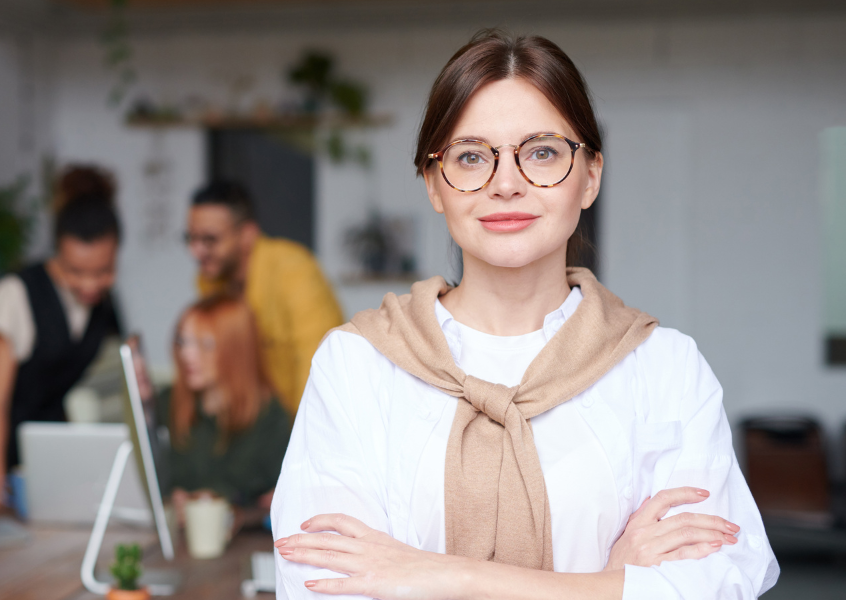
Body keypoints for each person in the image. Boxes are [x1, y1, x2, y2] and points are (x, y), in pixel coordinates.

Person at [271, 31, 779, 599]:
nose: (506, 184)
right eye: (470, 157)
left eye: (542, 152)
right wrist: (609, 583)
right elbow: (322, 586)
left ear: (590, 176)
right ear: (434, 185)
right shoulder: (357, 365)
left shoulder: (664, 368)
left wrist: (442, 575)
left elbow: (715, 585)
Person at [0, 165, 123, 519]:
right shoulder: (16, 293)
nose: (90, 284)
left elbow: (108, 378)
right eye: (76, 271)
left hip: (50, 458)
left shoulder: (105, 303)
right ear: (58, 252)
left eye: (103, 271)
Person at [186, 181, 343, 416]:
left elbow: (319, 372)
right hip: (253, 431)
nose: (195, 251)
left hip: (301, 430)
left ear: (247, 235)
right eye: (190, 238)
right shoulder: (209, 282)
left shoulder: (294, 270)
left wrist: (298, 445)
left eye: (210, 240)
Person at [160, 295, 292, 531]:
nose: (187, 354)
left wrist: (238, 514)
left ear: (237, 348)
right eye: (183, 341)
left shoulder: (273, 420)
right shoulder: (167, 404)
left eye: (205, 344)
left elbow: (285, 506)